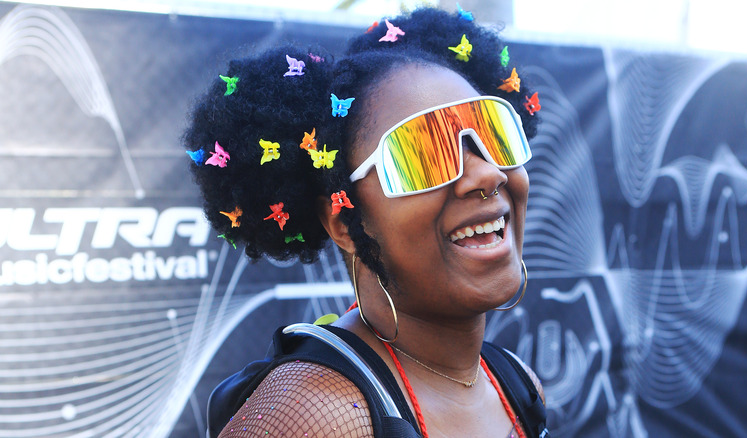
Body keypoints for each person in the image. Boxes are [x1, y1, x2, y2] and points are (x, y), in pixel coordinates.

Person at [184, 6, 547, 438]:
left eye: (494, 133)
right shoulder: (315, 416)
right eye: (422, 155)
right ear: (342, 222)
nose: (488, 174)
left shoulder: (517, 383)